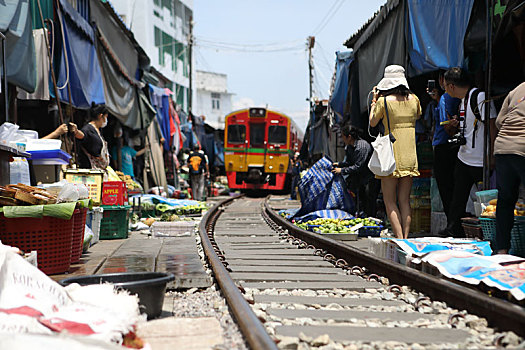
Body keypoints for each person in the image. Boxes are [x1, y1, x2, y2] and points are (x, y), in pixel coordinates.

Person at [438, 67, 497, 237]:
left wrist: (491, 154)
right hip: (464, 157)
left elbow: (492, 126)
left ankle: (487, 232)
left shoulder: (480, 98)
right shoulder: (464, 100)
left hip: (480, 159)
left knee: (485, 200)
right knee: (458, 197)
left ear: (451, 86)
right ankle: (453, 229)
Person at [369, 65, 422, 239]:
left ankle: (399, 238)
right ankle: (406, 238)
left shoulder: (384, 101)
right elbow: (418, 115)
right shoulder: (414, 99)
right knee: (405, 200)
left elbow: (372, 122)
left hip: (390, 154)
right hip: (410, 153)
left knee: (390, 201)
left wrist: (374, 101)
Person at [494, 82, 525, 254]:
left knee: (505, 202)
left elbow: (499, 121)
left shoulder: (516, 89)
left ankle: (502, 251)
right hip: (522, 147)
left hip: (503, 147)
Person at [428, 72, 461, 219]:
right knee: (454, 186)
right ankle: (454, 222)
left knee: (446, 187)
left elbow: (446, 126)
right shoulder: (453, 98)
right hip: (452, 146)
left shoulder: (445, 98)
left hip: (443, 145)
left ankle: (452, 223)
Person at [332, 124, 379, 217]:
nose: (342, 139)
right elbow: (350, 162)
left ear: (349, 137)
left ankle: (371, 222)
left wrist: (341, 170)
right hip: (361, 179)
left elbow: (358, 166)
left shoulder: (361, 147)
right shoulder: (350, 147)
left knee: (369, 202)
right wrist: (339, 164)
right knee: (361, 200)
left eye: (343, 136)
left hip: (370, 178)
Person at [78, 103, 110, 170]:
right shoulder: (88, 130)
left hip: (100, 170)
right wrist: (75, 131)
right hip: (91, 171)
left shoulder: (98, 130)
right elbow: (82, 135)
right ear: (101, 116)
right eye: (106, 117)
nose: (106, 120)